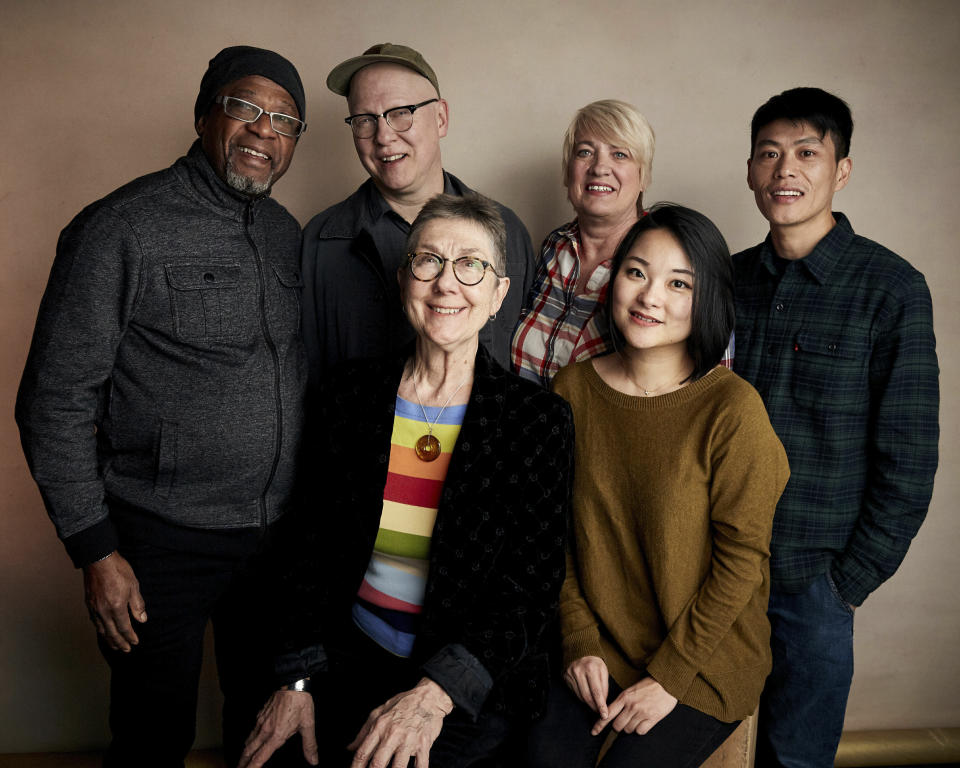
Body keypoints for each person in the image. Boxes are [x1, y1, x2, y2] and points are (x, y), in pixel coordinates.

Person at [15, 46, 308, 767]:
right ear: (206, 112)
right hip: (157, 540)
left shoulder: (286, 235)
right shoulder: (121, 226)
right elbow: (52, 400)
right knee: (152, 736)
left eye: (284, 121)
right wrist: (96, 548)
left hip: (273, 540)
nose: (262, 132)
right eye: (245, 108)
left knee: (266, 734)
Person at [239, 193, 574, 768]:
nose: (447, 283)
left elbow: (530, 585)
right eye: (428, 262)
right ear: (404, 280)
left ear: (498, 294)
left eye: (471, 265)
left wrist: (434, 694)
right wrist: (296, 680)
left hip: (466, 677)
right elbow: (306, 545)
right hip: (350, 655)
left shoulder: (535, 419)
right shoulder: (348, 394)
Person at [528, 204, 790, 767]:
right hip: (602, 645)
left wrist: (668, 679)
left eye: (679, 283)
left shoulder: (732, 408)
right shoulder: (571, 390)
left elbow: (742, 562)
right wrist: (578, 644)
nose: (651, 297)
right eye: (637, 272)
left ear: (708, 300)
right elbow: (555, 538)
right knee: (540, 755)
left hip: (704, 656)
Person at [733, 87, 939, 766]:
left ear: (840, 170)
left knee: (794, 757)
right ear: (751, 171)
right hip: (715, 573)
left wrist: (845, 583)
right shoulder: (725, 281)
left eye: (805, 153)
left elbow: (908, 459)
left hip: (810, 584)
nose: (784, 170)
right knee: (706, 751)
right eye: (769, 154)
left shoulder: (891, 289)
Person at [301, 43, 535, 391]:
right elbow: (312, 384)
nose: (383, 136)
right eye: (365, 120)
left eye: (401, 112)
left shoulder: (506, 230)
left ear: (441, 118)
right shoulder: (321, 241)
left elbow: (518, 371)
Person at [511, 100, 733, 387]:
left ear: (644, 176)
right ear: (568, 172)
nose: (600, 167)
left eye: (619, 154)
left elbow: (709, 387)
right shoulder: (555, 247)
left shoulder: (680, 253)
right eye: (585, 152)